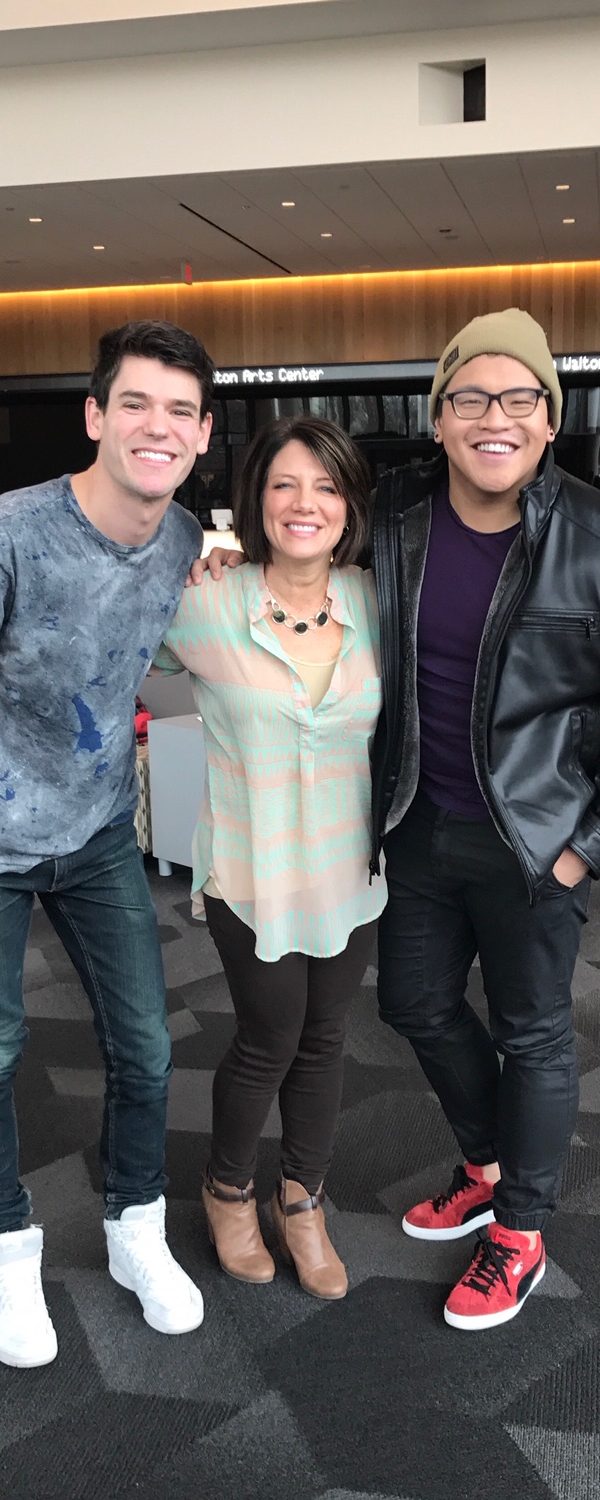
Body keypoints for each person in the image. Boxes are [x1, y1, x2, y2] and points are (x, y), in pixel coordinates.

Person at [370, 306, 600, 1330]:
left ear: (550, 418)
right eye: (469, 396)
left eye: (518, 397)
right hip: (421, 825)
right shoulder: (396, 516)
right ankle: (488, 1163)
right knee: (413, 1003)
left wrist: (582, 849)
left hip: (535, 843)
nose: (493, 417)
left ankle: (521, 1230)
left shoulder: (591, 535)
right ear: (439, 418)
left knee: (534, 1035)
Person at [0, 318, 213, 1367]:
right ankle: (8, 1247)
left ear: (203, 433)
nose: (156, 427)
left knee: (147, 1045)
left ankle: (136, 1227)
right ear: (95, 416)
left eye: (179, 410)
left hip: (93, 833)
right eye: (135, 403)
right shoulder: (14, 532)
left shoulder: (184, 540)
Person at [153, 415, 386, 1300]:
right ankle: (227, 1191)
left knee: (326, 1039)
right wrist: (185, 561)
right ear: (255, 499)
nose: (304, 503)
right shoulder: (206, 601)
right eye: (284, 484)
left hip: (350, 874)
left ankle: (304, 1203)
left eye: (326, 486)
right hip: (251, 873)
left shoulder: (376, 601)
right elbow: (108, 637)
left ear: (349, 504)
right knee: (270, 1038)